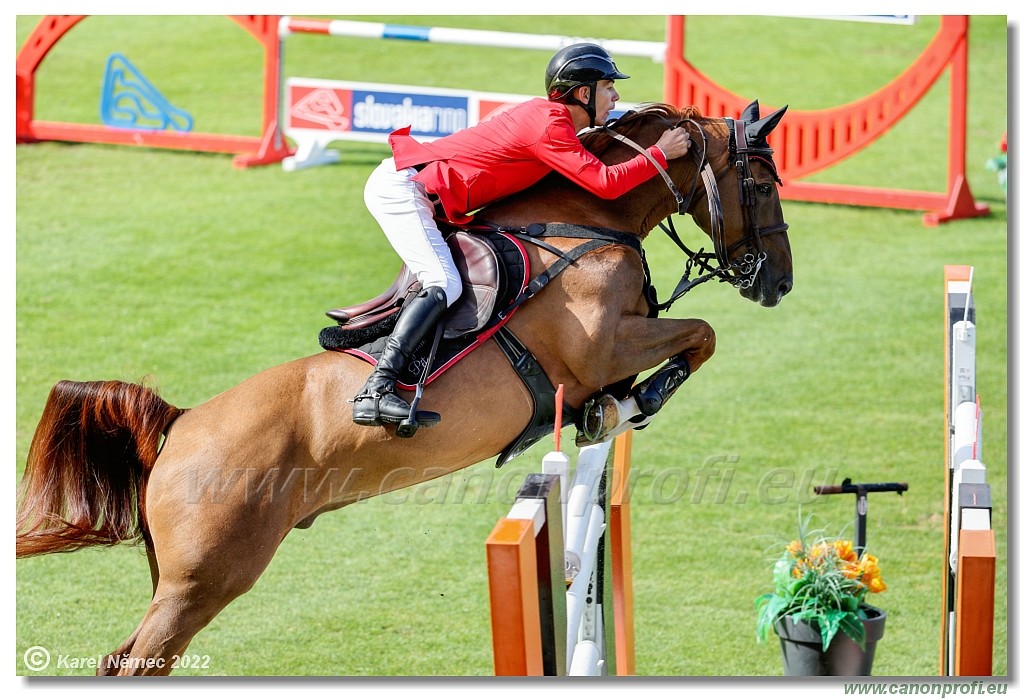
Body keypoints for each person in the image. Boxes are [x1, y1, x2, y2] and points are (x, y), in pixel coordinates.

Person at [351, 42, 692, 430]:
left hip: (426, 191)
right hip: (404, 189)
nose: (615, 95)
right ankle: (375, 390)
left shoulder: (555, 120)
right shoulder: (550, 126)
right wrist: (659, 154)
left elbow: (608, 140)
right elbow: (604, 183)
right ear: (584, 94)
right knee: (443, 282)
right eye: (609, 86)